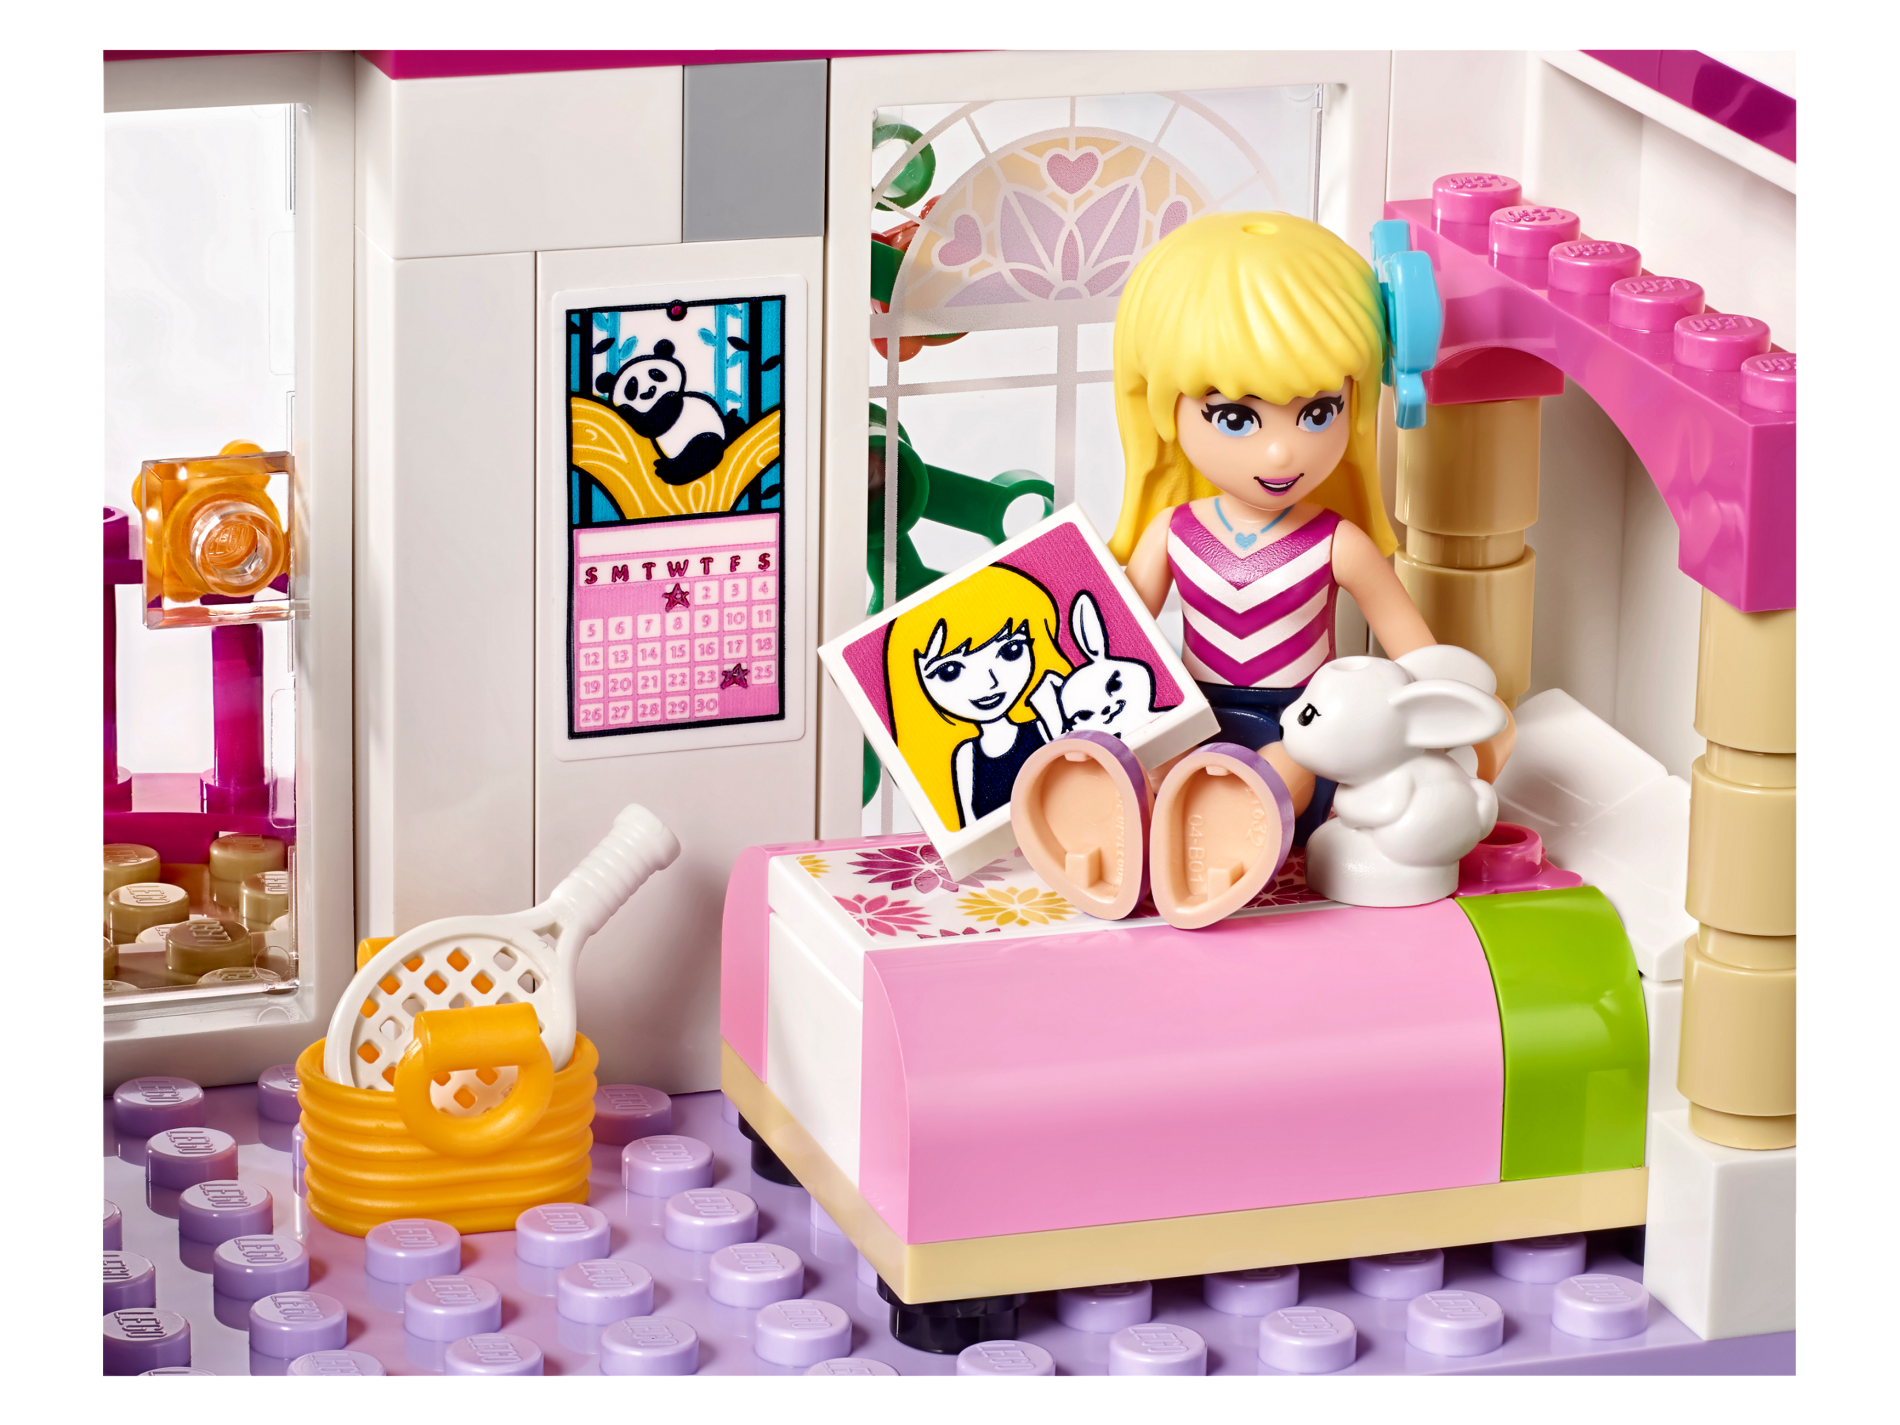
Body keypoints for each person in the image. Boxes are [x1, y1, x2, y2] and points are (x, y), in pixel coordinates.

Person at [1106, 210, 1514, 843]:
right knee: (1154, 767)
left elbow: (1416, 653)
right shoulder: (1172, 533)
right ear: (1163, 409)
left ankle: (1224, 837)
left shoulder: (1336, 543)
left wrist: (1475, 718)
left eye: (1319, 412)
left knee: (1280, 772)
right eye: (1236, 419)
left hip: (1307, 728)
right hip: (1194, 721)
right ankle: (1174, 835)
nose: (1281, 453)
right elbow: (1115, 648)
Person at [885, 564, 1072, 831]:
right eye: (949, 671)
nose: (989, 682)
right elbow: (966, 826)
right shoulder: (965, 757)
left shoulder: (1045, 726)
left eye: (1010, 651)